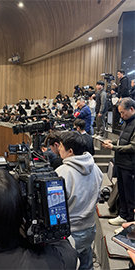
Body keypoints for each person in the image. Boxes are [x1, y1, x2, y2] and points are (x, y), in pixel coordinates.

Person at [55, 131, 102, 270]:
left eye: (61, 146)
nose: (58, 148)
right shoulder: (96, 168)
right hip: (89, 228)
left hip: (71, 233)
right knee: (86, 261)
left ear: (70, 151)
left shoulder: (62, 172)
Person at [103, 98, 135, 226]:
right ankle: (123, 215)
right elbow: (124, 141)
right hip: (122, 163)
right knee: (121, 192)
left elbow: (133, 147)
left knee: (130, 195)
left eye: (123, 113)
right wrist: (114, 143)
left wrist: (114, 148)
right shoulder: (127, 122)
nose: (121, 116)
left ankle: (130, 222)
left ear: (131, 109)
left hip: (130, 165)